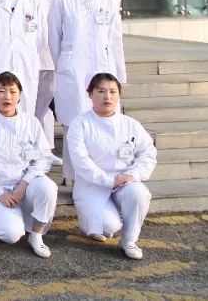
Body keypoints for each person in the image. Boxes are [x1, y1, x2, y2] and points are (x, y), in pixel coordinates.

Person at [48, 0, 126, 178]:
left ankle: (103, 174)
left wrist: (118, 71)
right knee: (74, 121)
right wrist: (63, 65)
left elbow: (114, 36)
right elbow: (54, 38)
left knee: (102, 119)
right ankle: (74, 177)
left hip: (102, 65)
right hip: (73, 68)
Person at [66, 73, 156, 260]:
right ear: (90, 94)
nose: (107, 97)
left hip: (124, 181)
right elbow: (81, 161)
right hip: (92, 184)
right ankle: (95, 221)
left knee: (139, 193)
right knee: (107, 227)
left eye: (113, 92)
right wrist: (108, 180)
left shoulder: (130, 124)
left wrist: (133, 175)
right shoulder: (80, 123)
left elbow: (148, 153)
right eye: (101, 91)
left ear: (118, 95)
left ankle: (129, 240)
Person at [0, 72, 56, 259]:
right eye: (1, 91)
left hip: (27, 184)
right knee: (10, 235)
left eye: (12, 91)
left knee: (48, 187)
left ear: (20, 95)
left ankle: (36, 235)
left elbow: (43, 157)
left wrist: (24, 183)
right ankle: (11, 219)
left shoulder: (31, 122)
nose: (7, 97)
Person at [11, 0, 64, 165]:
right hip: (22, 31)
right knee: (25, 89)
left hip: (50, 29)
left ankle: (44, 146)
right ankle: (25, 144)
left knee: (48, 89)